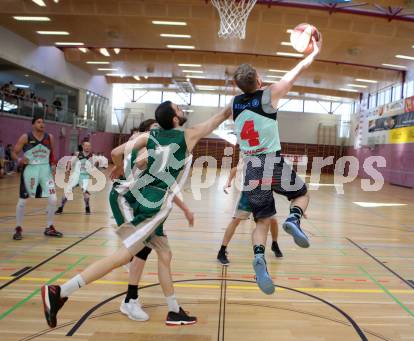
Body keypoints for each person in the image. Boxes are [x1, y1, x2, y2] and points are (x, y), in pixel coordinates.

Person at [41, 101, 232, 328]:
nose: (182, 109)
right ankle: (60, 291)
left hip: (143, 195)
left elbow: (116, 152)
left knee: (164, 255)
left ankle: (173, 311)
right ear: (174, 119)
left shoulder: (151, 136)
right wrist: (244, 96)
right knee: (125, 256)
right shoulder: (187, 136)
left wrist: (120, 167)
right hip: (155, 203)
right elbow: (221, 115)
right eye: (178, 108)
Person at [231, 38, 320, 294]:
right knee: (302, 194)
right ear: (258, 80)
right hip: (272, 161)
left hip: (251, 168)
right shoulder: (268, 96)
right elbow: (298, 70)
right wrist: (314, 51)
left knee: (261, 222)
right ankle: (293, 219)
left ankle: (259, 256)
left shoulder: (234, 104)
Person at [115, 118, 196, 324]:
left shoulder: (156, 148)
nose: (158, 133)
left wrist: (185, 208)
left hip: (147, 199)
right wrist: (124, 175)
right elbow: (128, 161)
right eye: (153, 130)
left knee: (163, 253)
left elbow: (164, 184)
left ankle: (173, 309)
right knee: (141, 249)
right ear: (144, 133)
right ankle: (130, 300)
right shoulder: (143, 145)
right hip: (132, 199)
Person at [217, 161, 282, 265]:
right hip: (248, 195)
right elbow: (235, 169)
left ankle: (274, 244)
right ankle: (222, 250)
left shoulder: (270, 158)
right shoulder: (250, 157)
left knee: (273, 220)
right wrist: (228, 182)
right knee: (236, 220)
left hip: (265, 196)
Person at [12, 116, 63, 240]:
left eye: (43, 122)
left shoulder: (49, 137)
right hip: (30, 171)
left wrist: (53, 164)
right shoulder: (26, 137)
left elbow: (51, 154)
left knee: (53, 199)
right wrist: (19, 159)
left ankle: (49, 227)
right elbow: (14, 152)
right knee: (23, 201)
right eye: (39, 122)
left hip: (45, 171)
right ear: (33, 124)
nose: (42, 124)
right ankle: (18, 228)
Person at [55, 141, 97, 215]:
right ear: (83, 146)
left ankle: (87, 208)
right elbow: (70, 162)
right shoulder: (78, 154)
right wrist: (68, 169)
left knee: (85, 193)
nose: (87, 147)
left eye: (89, 146)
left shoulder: (92, 157)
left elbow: (93, 168)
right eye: (86, 146)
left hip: (85, 176)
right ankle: (60, 208)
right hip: (76, 175)